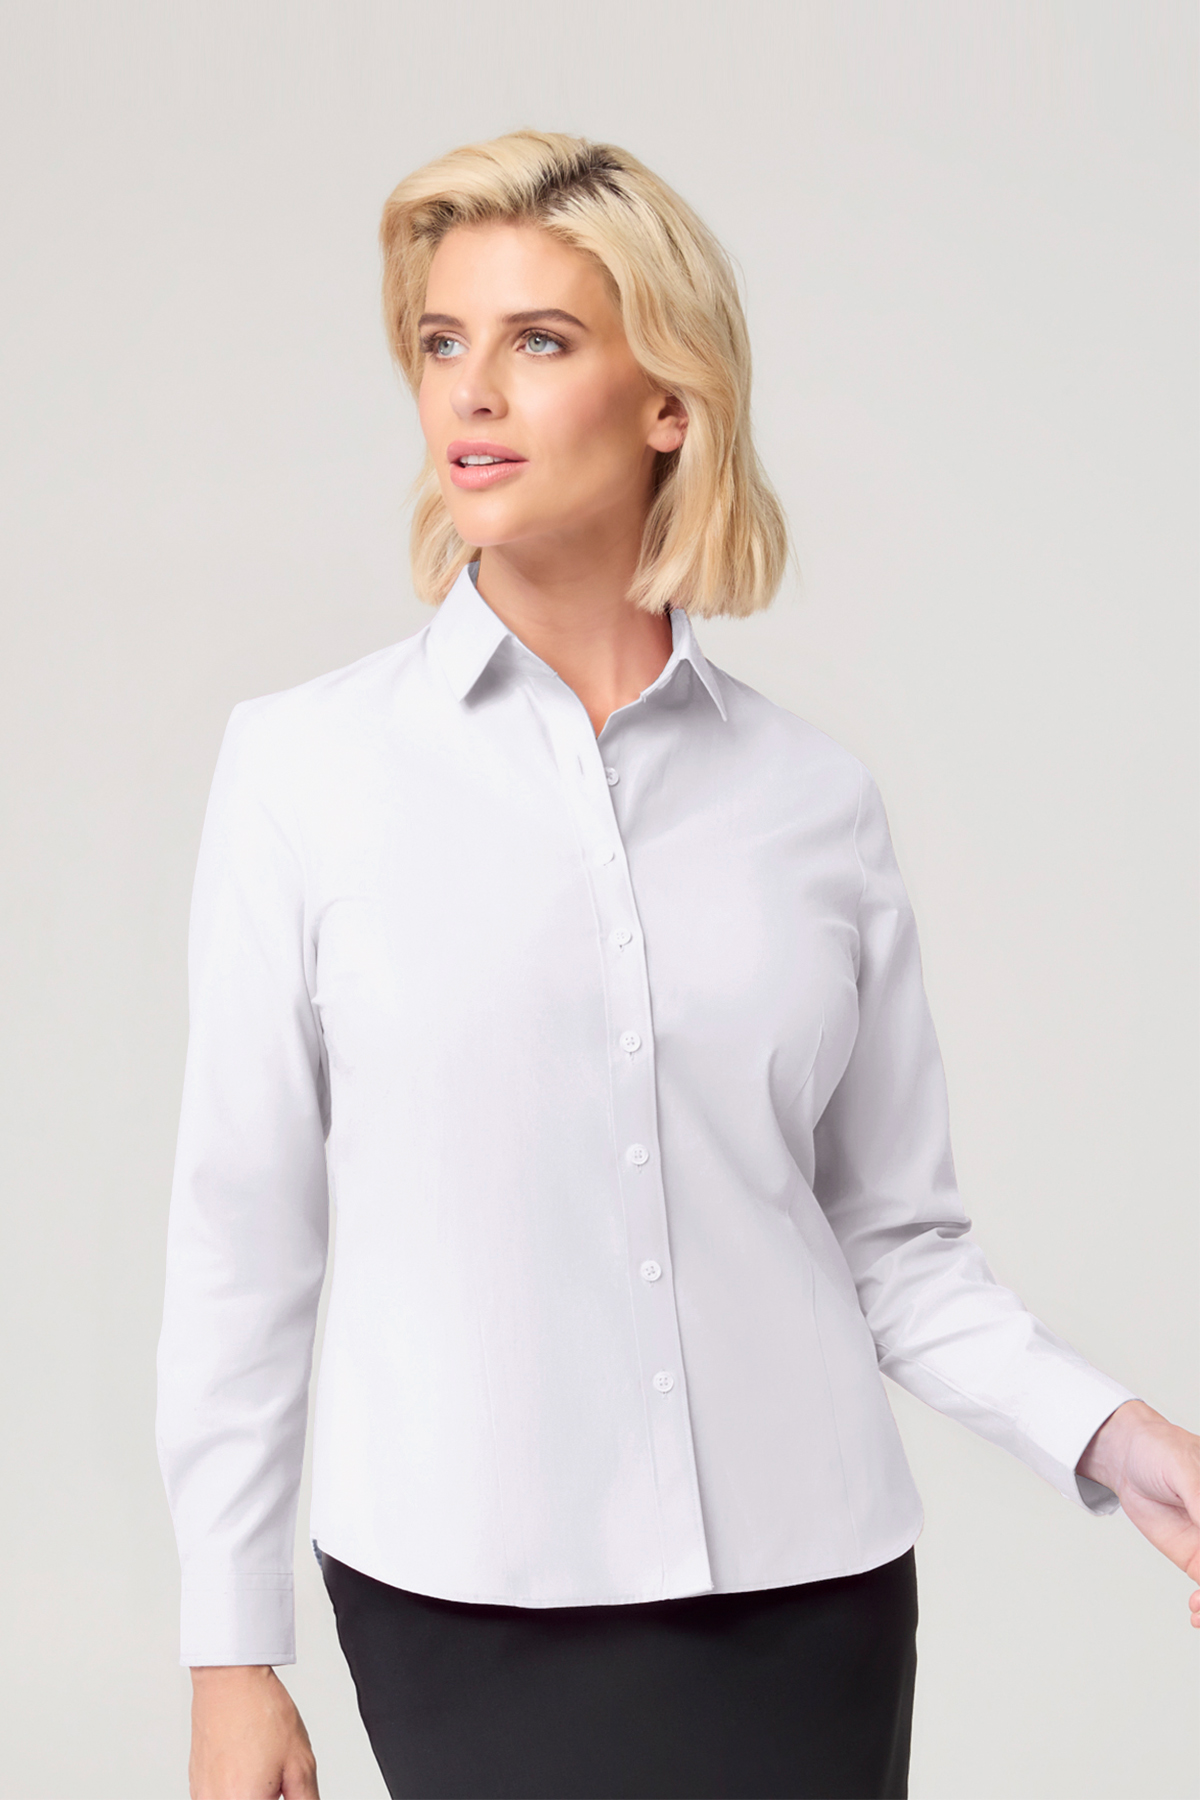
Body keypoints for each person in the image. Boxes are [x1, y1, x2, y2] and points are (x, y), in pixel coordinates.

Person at [156, 130, 1200, 1800]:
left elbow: (897, 1244)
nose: (470, 390)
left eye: (538, 340)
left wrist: (1116, 1439)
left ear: (669, 399)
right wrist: (230, 1649)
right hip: (464, 1600)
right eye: (441, 341)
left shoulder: (814, 801)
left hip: (813, 1596)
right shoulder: (304, 773)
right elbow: (242, 1235)